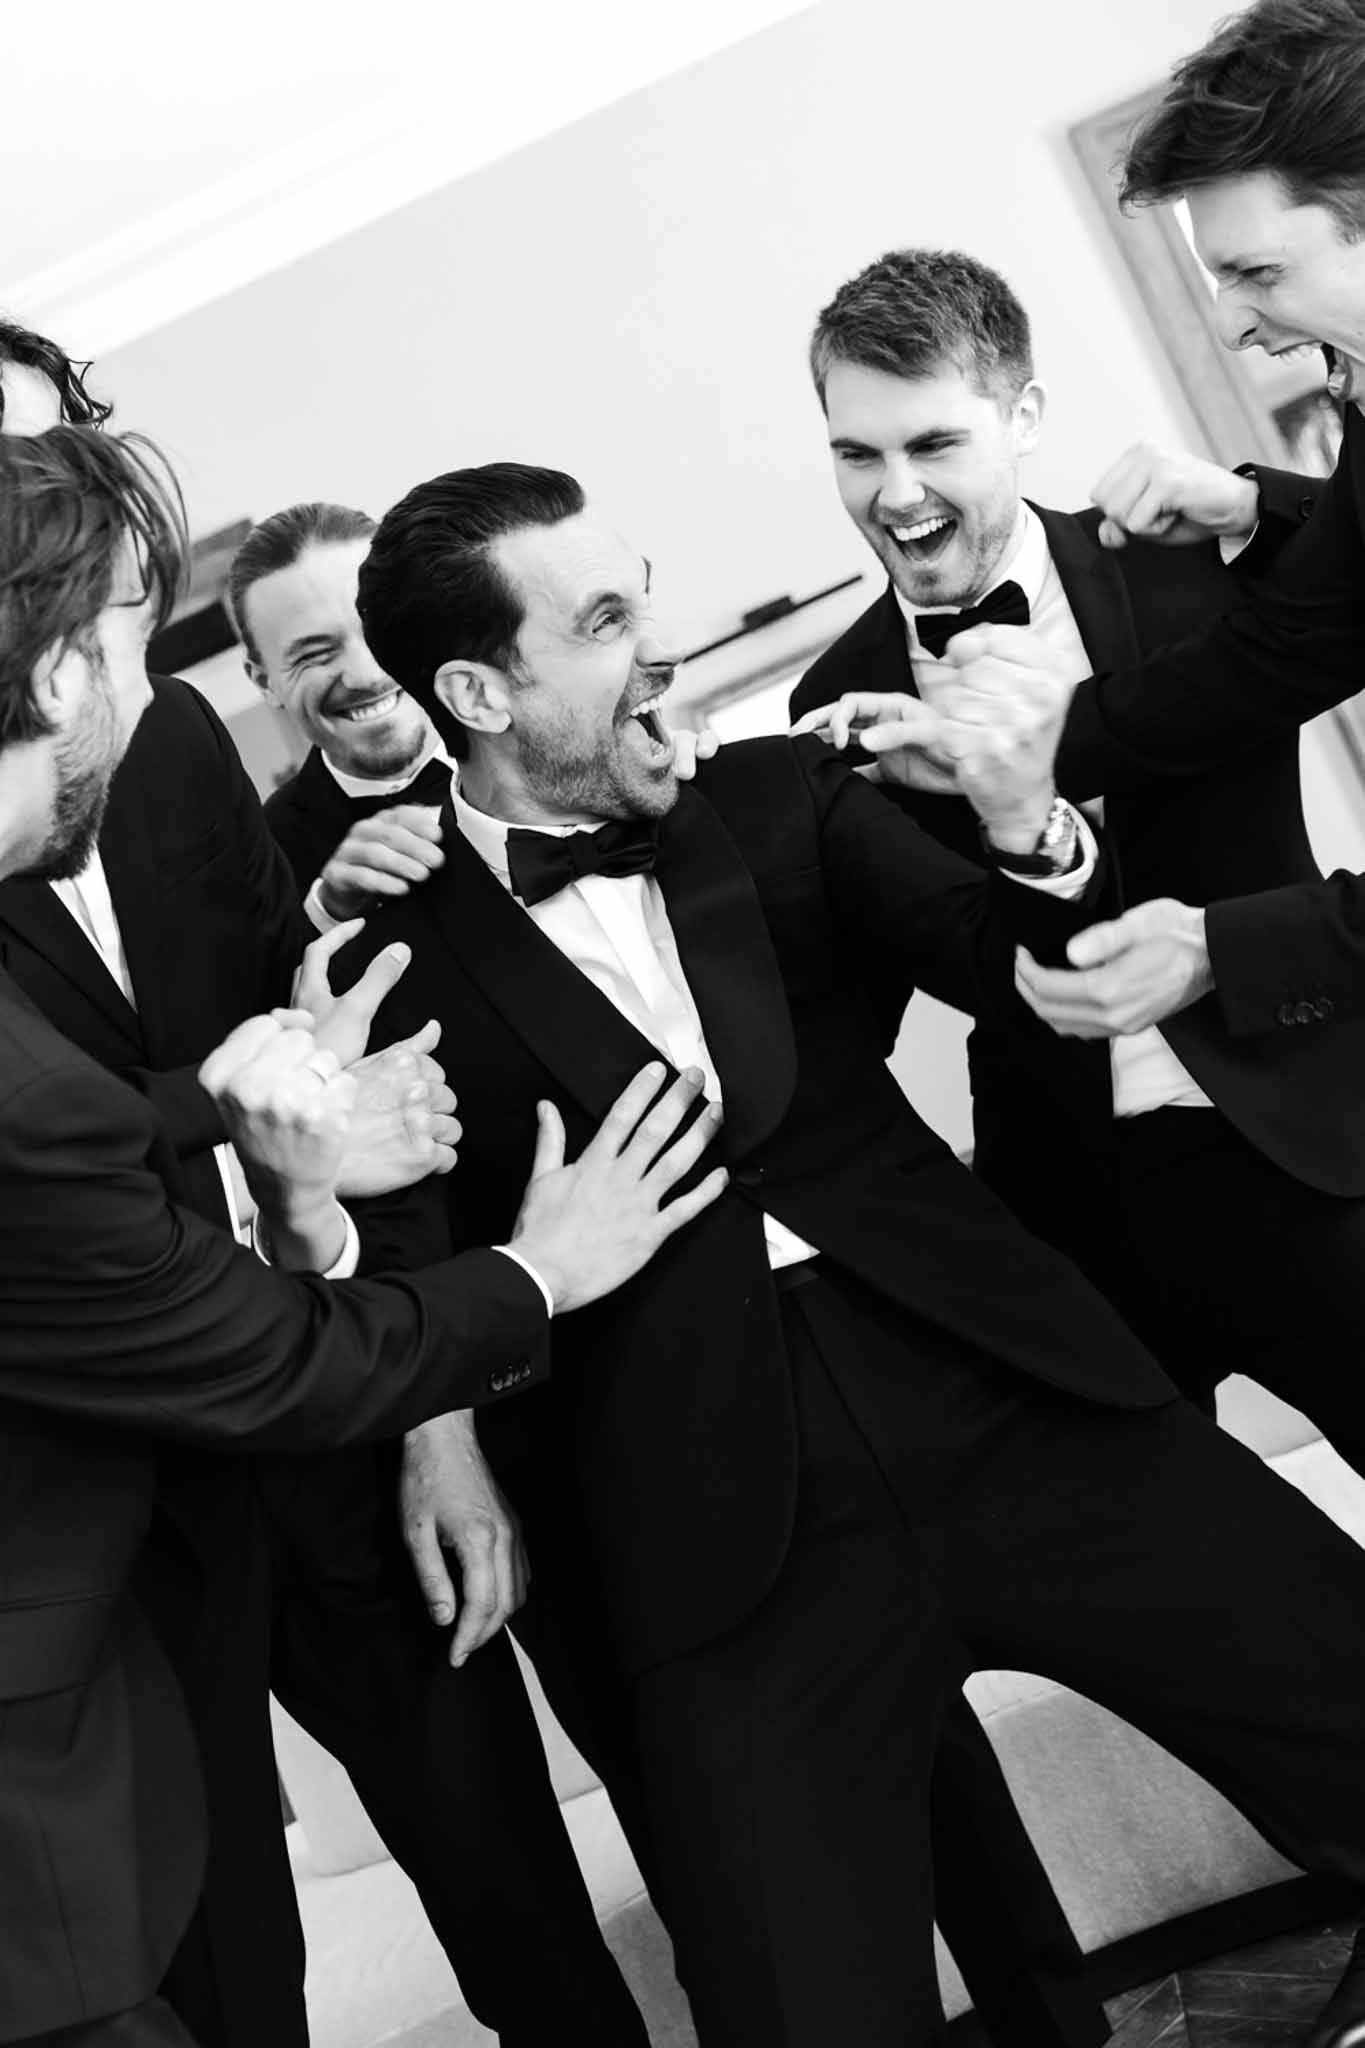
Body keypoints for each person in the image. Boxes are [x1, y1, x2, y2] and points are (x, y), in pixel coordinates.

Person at [336, 456, 1365, 2048]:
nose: (655, 649)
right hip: (711, 1505)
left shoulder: (778, 799)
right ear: (478, 688)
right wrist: (442, 1448)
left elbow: (1023, 975)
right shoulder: (381, 945)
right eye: (605, 622)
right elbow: (395, 1239)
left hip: (1008, 1391)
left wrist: (1030, 825)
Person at [0, 423, 726, 2048]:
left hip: (347, 1426)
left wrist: (434, 1422)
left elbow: (322, 1047)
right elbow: (92, 1143)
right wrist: (534, 1270)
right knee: (212, 1960)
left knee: (511, 1884)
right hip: (112, 1514)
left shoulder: (175, 743)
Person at [787, 247, 1365, 1483]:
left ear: (1024, 416)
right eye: (856, 453)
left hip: (1312, 1130)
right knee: (1217, 1595)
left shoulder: (1185, 561)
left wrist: (1264, 499)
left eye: (934, 444)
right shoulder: (835, 700)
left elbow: (1353, 581)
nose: (895, 494)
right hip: (1078, 1213)